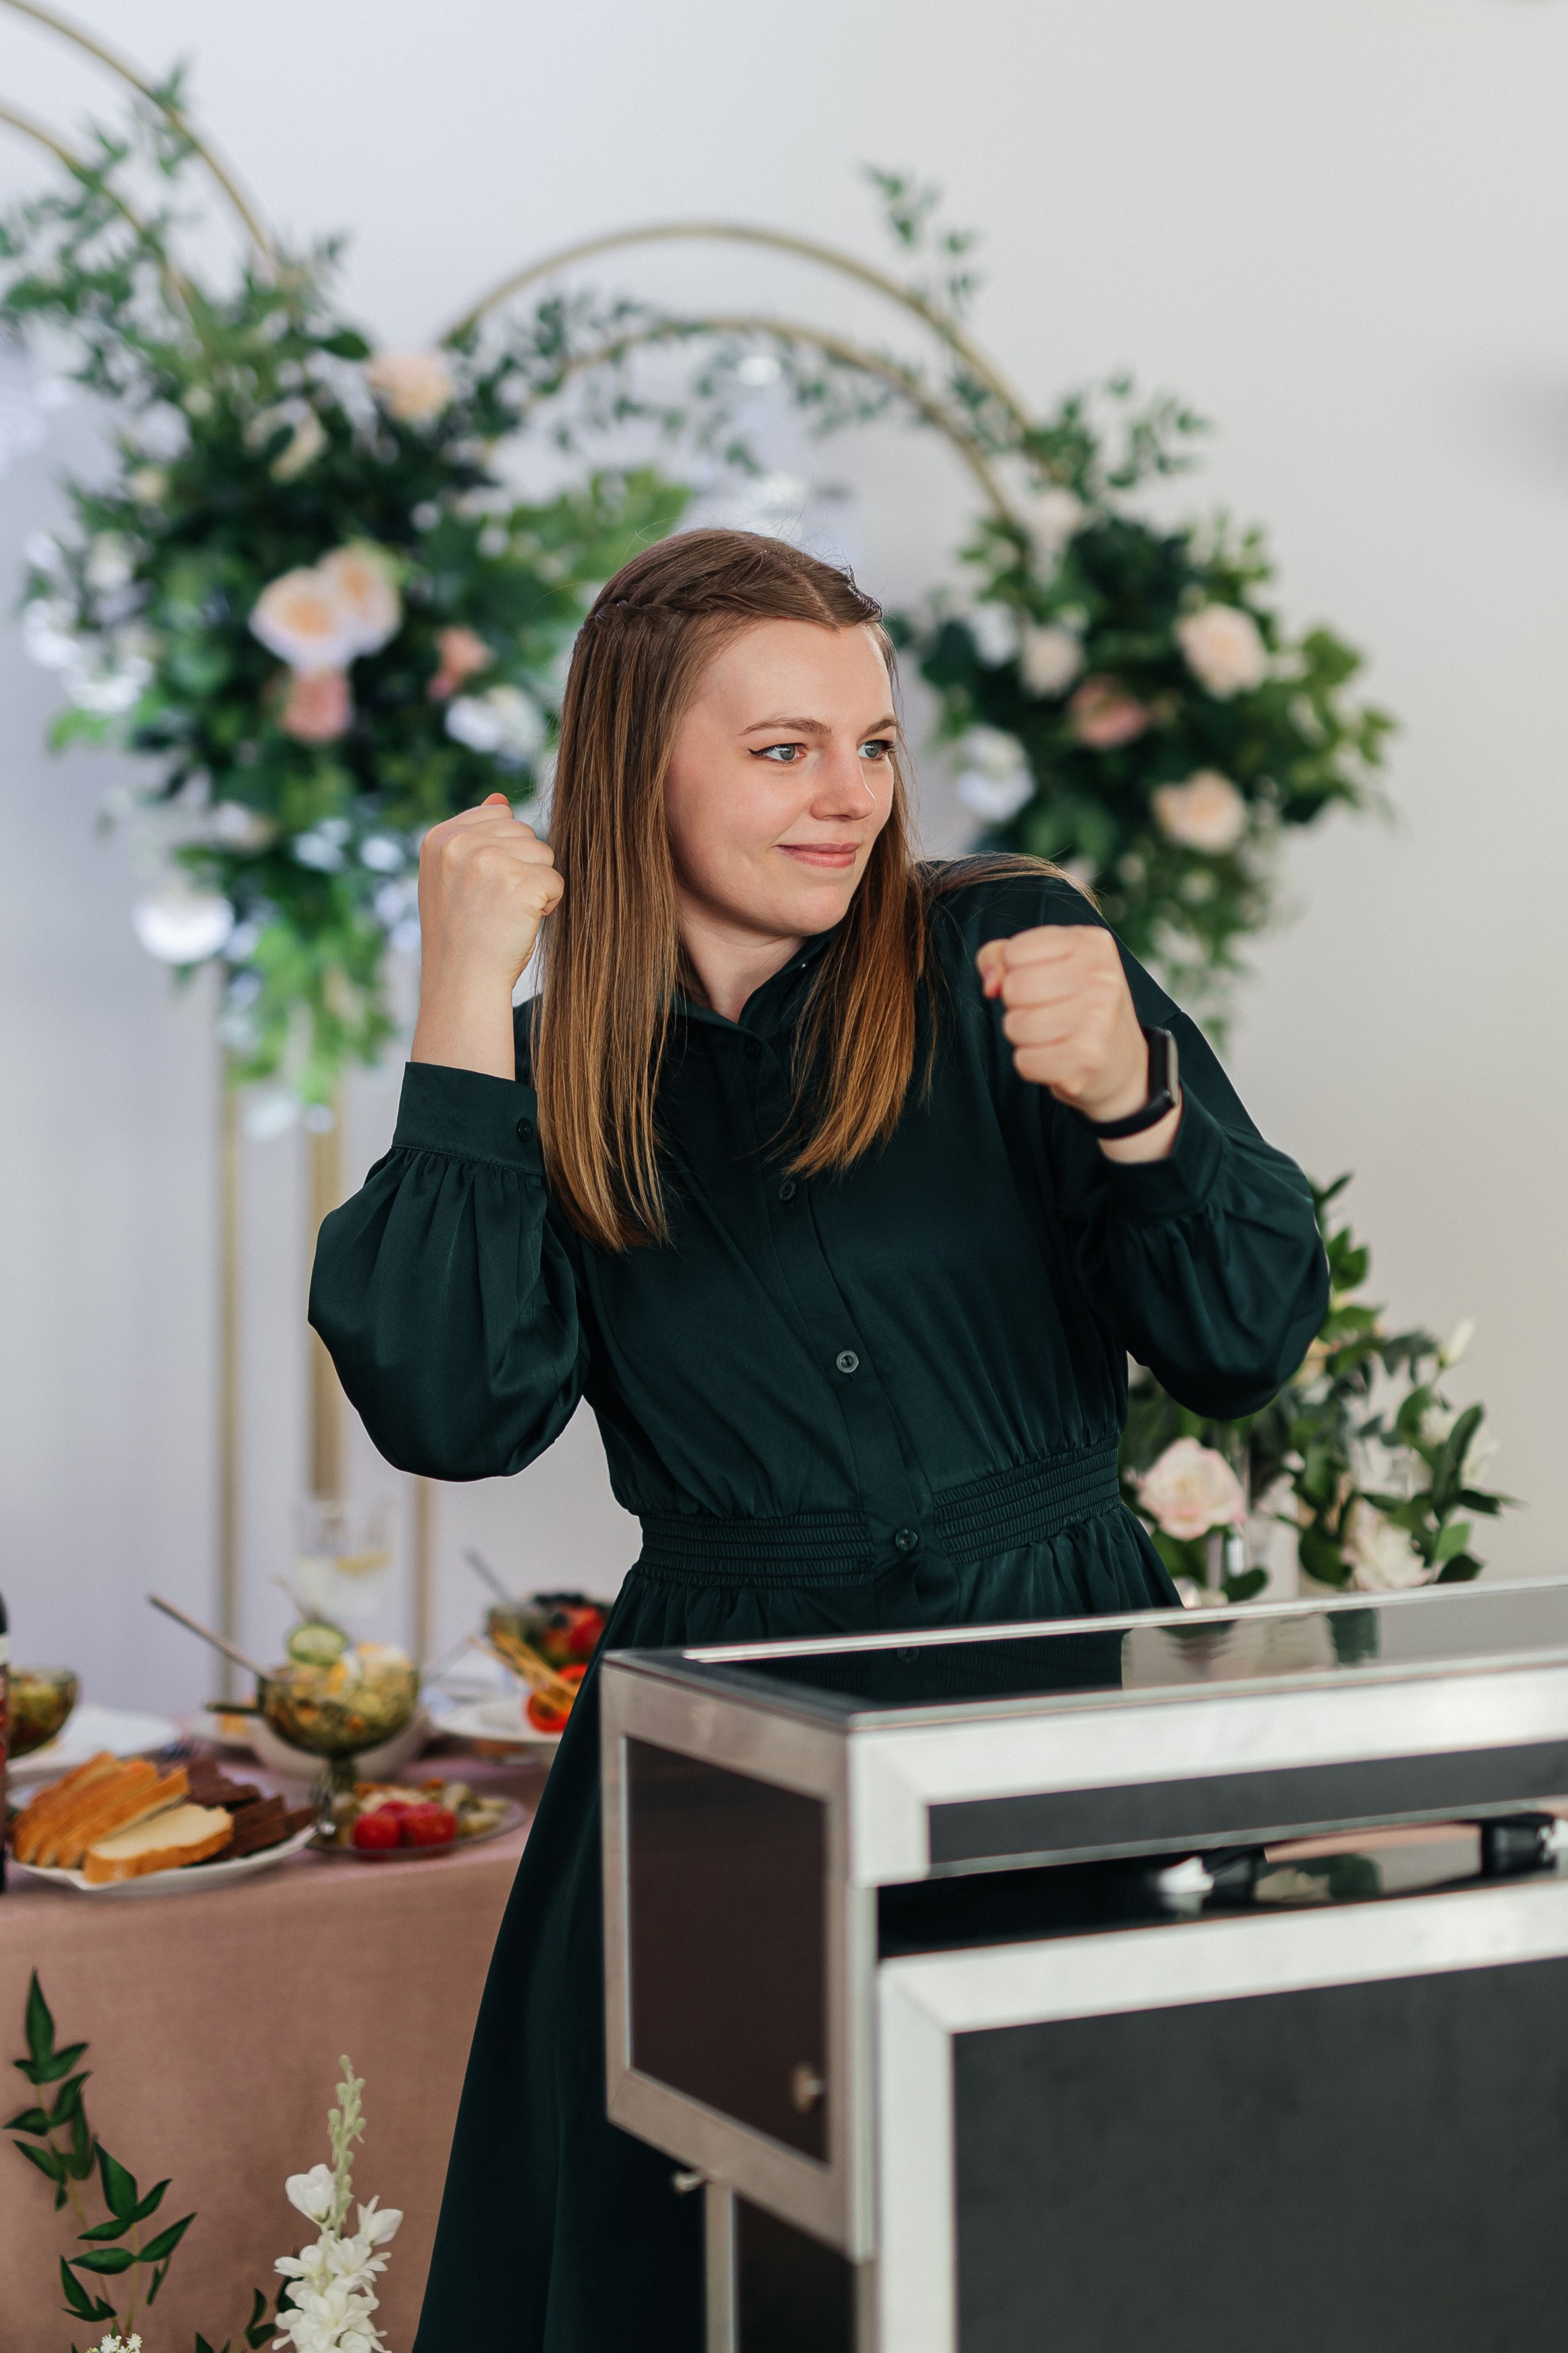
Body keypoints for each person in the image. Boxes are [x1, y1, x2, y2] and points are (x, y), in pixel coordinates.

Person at [310, 528, 1327, 2350]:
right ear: (638, 768)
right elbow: (449, 1405)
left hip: (1055, 1701)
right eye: (786, 747)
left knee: (1094, 2253)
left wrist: (1141, 1102)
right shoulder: (549, 1079)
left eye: (871, 744)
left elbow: (1247, 1339)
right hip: (725, 1750)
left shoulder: (1013, 954)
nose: (849, 797)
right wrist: (462, 1001)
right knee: (727, 2283)